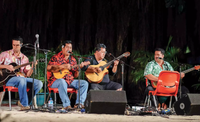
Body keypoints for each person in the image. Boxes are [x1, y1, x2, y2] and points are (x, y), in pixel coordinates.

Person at [0, 36, 43, 110]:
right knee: (21, 80)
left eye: (17, 45)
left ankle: (23, 102)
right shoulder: (5, 54)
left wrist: (33, 67)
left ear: (21, 45)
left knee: (39, 83)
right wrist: (6, 66)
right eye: (13, 45)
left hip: (22, 78)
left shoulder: (25, 58)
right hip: (8, 79)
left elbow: (28, 74)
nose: (15, 47)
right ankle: (24, 105)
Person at [47, 40, 89, 110]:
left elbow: (75, 75)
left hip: (69, 81)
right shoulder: (56, 57)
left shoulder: (73, 60)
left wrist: (79, 68)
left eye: (70, 48)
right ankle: (66, 105)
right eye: (67, 47)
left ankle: (79, 104)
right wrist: (62, 66)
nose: (69, 49)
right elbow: (48, 68)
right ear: (62, 48)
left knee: (84, 83)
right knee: (62, 81)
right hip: (55, 81)